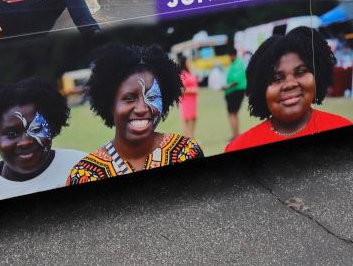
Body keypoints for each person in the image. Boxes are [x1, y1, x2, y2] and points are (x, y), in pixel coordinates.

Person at [66, 44, 204, 183]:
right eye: (129, 98)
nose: (142, 108)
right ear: (109, 104)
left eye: (152, 97)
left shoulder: (186, 152)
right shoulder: (85, 174)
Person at [0, 77, 86, 204]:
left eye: (36, 129)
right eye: (11, 134)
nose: (25, 142)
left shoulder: (83, 168)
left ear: (52, 128)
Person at [225, 27, 353, 150]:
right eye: (276, 78)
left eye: (300, 72)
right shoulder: (239, 146)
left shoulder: (341, 126)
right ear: (261, 89)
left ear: (317, 75)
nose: (290, 84)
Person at [222, 50, 248, 140]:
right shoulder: (238, 63)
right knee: (234, 113)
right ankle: (236, 133)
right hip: (237, 91)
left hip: (235, 91)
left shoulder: (237, 64)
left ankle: (235, 135)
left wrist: (226, 87)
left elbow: (236, 80)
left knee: (231, 113)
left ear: (232, 55)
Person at [178, 63, 199, 140]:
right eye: (187, 61)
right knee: (187, 121)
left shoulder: (190, 72)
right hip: (186, 101)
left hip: (193, 101)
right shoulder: (182, 74)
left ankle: (192, 138)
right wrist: (193, 90)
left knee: (193, 119)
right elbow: (181, 89)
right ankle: (187, 140)